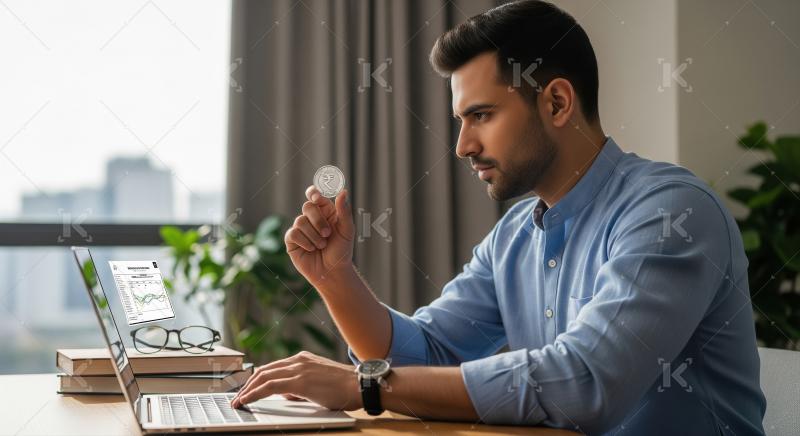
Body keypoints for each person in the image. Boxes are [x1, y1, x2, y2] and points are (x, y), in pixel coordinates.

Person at [232, 1, 766, 433]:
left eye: (481, 116)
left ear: (556, 103)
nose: (463, 145)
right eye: (461, 120)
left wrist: (365, 386)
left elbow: (585, 383)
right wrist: (336, 278)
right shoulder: (514, 234)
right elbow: (430, 355)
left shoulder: (672, 212)